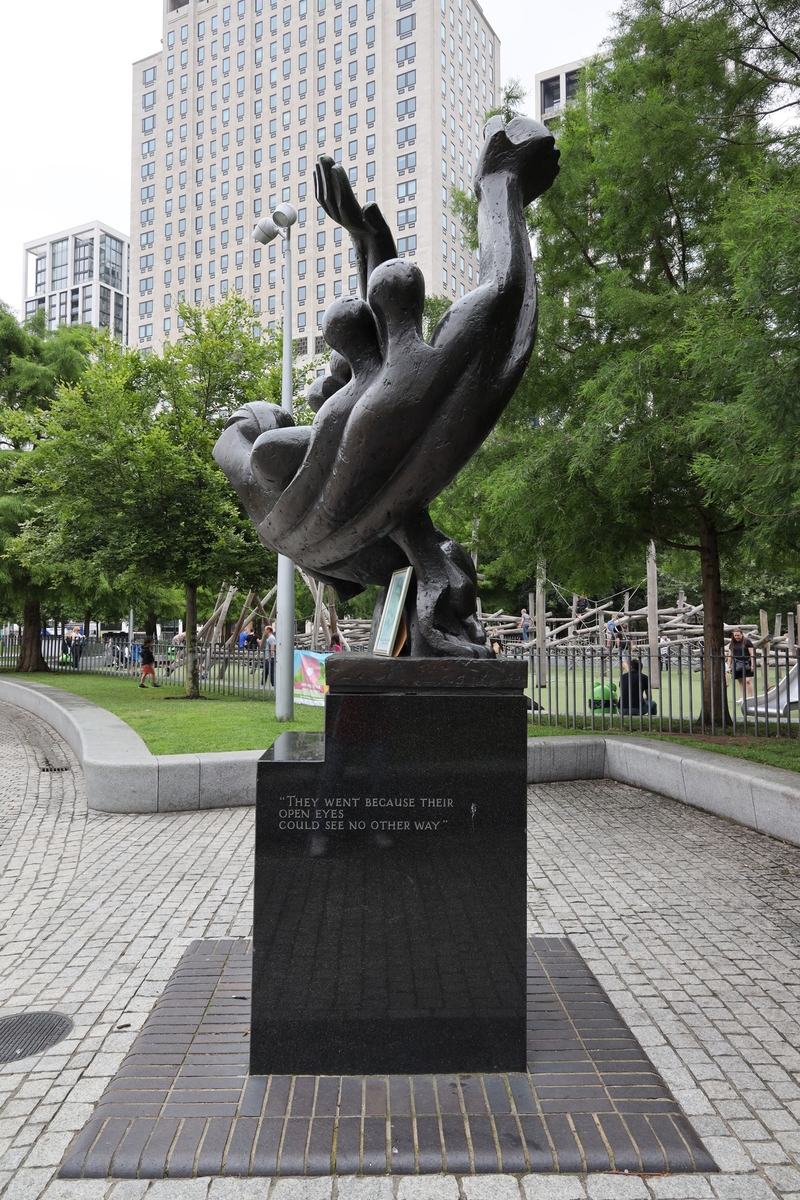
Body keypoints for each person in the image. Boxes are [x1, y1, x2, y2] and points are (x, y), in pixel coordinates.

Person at [727, 627, 755, 697]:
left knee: (748, 680)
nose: (737, 637)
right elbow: (730, 655)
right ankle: (743, 697)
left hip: (747, 663)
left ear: (742, 634)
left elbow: (752, 653)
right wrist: (729, 666)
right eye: (735, 635)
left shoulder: (747, 641)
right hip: (736, 664)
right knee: (740, 681)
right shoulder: (732, 643)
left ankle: (751, 697)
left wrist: (752, 665)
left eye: (738, 635)